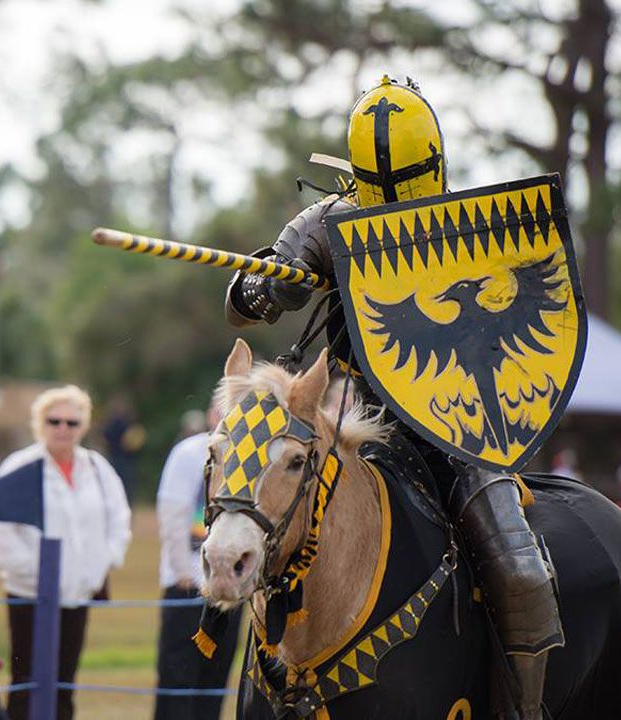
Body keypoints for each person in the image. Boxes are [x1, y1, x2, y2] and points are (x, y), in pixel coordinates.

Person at [224, 76, 563, 719]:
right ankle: (266, 696)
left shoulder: (471, 227)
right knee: (270, 537)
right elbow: (250, 298)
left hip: (456, 425)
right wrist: (262, 287)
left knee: (520, 575)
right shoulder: (329, 222)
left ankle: (520, 710)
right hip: (361, 424)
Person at [0, 385, 132, 720]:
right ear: (41, 423)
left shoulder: (97, 467)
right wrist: (36, 573)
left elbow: (119, 519)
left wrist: (101, 564)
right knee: (26, 681)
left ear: (83, 426)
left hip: (78, 592)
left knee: (64, 683)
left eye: (72, 422)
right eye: (55, 421)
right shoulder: (20, 466)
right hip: (29, 593)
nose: (63, 429)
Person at [154, 403, 239, 720]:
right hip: (189, 584)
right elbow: (172, 515)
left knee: (214, 680)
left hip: (229, 589)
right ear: (210, 414)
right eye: (222, 410)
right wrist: (182, 573)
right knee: (178, 678)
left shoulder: (246, 457)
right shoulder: (189, 452)